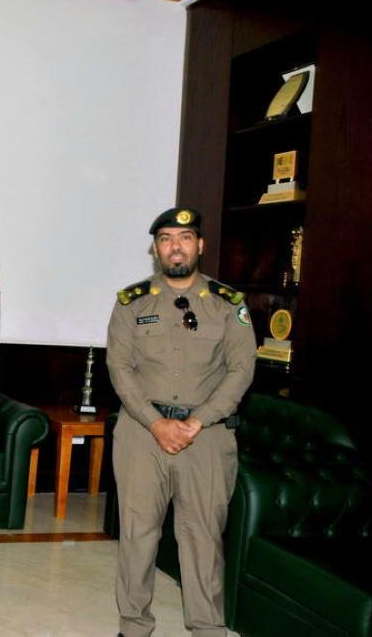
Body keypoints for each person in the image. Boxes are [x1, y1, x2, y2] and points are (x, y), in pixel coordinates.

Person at [106, 207, 256, 637]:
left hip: (207, 437)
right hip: (141, 433)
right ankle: (133, 626)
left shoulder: (228, 304)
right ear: (155, 249)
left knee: (203, 539)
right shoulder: (131, 302)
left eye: (185, 238)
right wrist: (156, 423)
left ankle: (207, 628)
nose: (176, 247)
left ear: (200, 245)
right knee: (137, 536)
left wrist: (198, 420)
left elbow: (241, 369)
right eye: (166, 238)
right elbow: (120, 368)